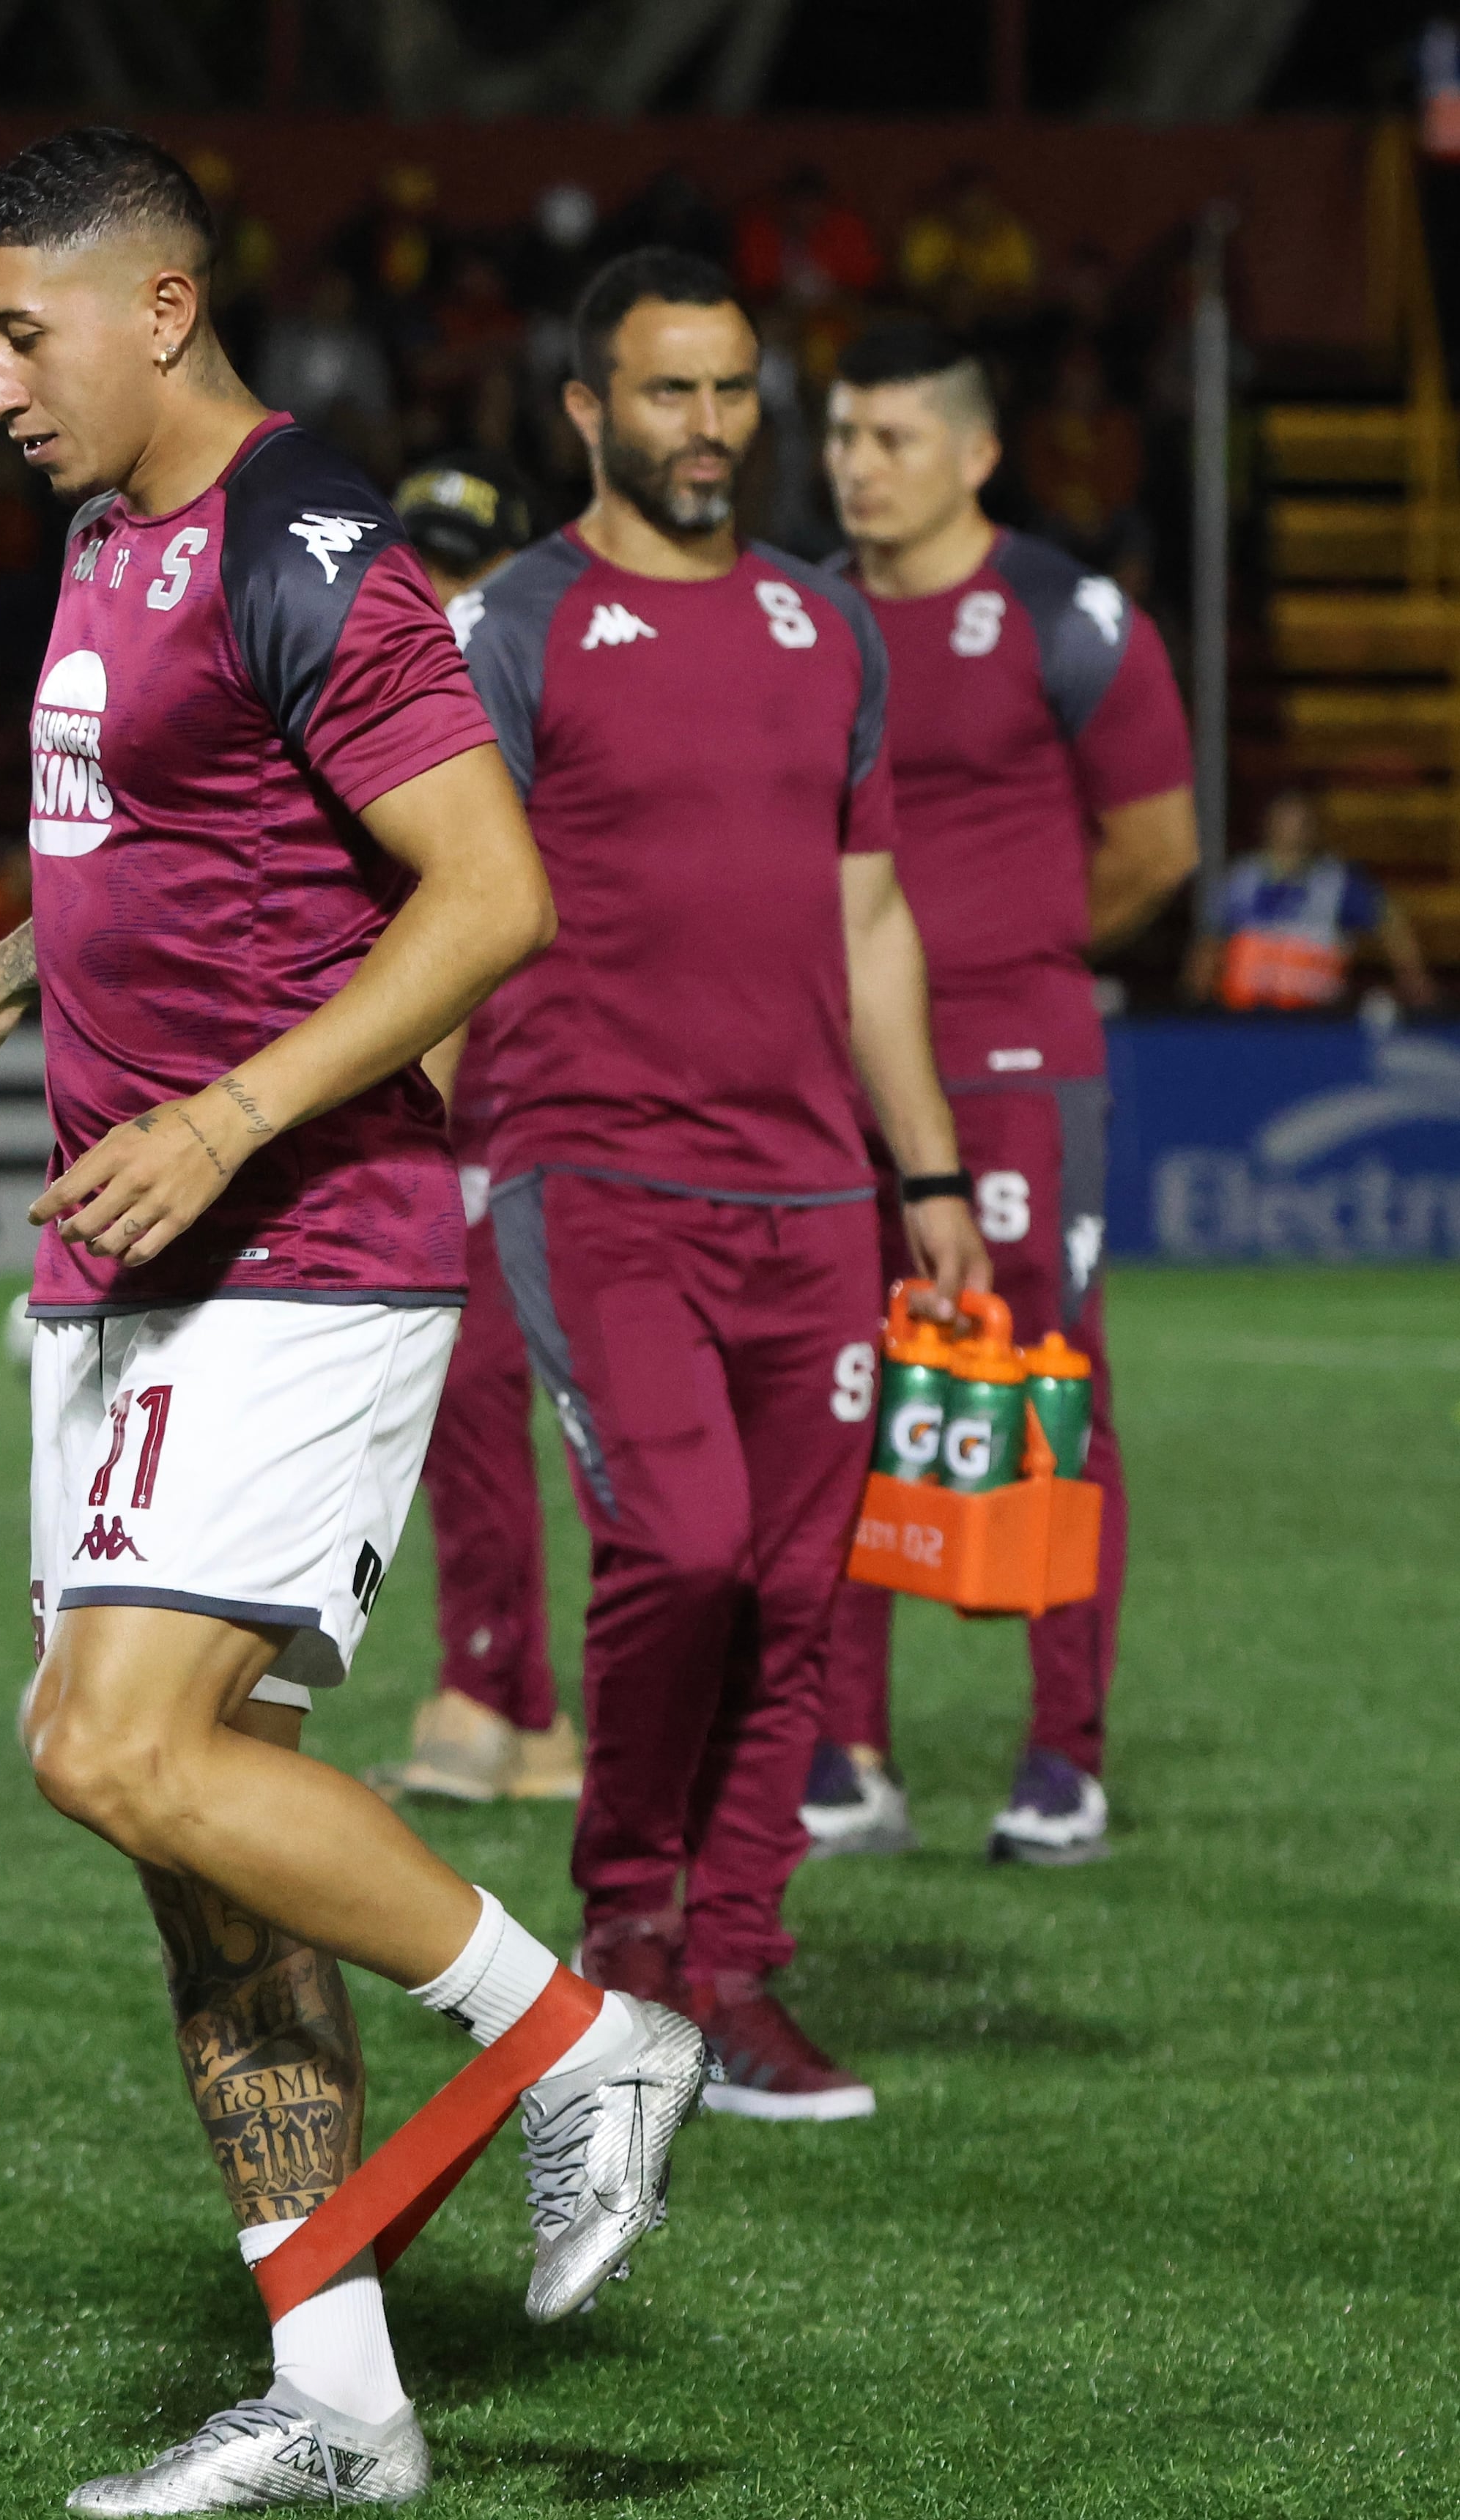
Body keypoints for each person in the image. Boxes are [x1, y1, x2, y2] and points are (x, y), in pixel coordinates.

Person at [0, 129, 703, 2519]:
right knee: (209, 1850)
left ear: (166, 310)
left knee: (108, 1744)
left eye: (22, 334)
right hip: (133, 1260)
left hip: (299, 1242)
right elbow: (163, 840)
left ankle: (580, 2036)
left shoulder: (308, 547)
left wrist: (224, 1114)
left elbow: (488, 891)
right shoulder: (112, 537)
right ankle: (336, 2388)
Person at [448, 251, 992, 2124]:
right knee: (679, 1548)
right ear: (586, 410)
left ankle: (741, 1964)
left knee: (794, 1584)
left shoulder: (822, 627)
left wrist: (927, 1164)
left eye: (733, 388)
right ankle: (626, 1934)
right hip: (595, 1168)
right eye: (668, 391)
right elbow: (443, 904)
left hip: (815, 1195)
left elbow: (870, 915)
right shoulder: (512, 624)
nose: (709, 427)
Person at [811, 320, 1198, 1867]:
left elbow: (1157, 848)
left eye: (891, 439)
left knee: (1046, 1387)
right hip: (830, 1069)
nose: (858, 466)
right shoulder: (800, 619)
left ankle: (1062, 1755)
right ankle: (846, 1750)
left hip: (1016, 1066)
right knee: (835, 1391)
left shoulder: (1066, 617)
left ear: (975, 453)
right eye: (843, 435)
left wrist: (1009, 953)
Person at [363, 448, 584, 1809]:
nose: (441, 588)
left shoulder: (533, 703)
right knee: (469, 1396)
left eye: (465, 562)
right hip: (476, 1096)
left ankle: (497, 1696)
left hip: (535, 1098)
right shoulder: (414, 708)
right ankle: (523, 1710)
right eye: (423, 560)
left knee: (478, 1392)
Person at [1188, 788, 1436, 1015]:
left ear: (1313, 827)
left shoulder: (1337, 882)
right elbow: (1210, 941)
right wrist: (1196, 995)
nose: (1291, 828)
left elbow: (1389, 923)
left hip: (1316, 1018)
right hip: (1245, 1016)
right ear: (1268, 824)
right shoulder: (1240, 880)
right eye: (1284, 819)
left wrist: (1413, 979)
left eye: (1300, 821)